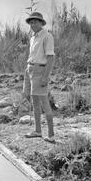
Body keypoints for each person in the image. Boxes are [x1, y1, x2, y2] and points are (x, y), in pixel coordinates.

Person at [23, 12, 55, 143]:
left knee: (44, 101)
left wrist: (45, 77)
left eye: (35, 21)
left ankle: (51, 134)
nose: (32, 24)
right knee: (34, 101)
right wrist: (27, 71)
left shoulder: (47, 36)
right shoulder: (33, 38)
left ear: (41, 23)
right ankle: (37, 131)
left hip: (40, 70)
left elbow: (51, 58)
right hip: (30, 69)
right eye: (31, 22)